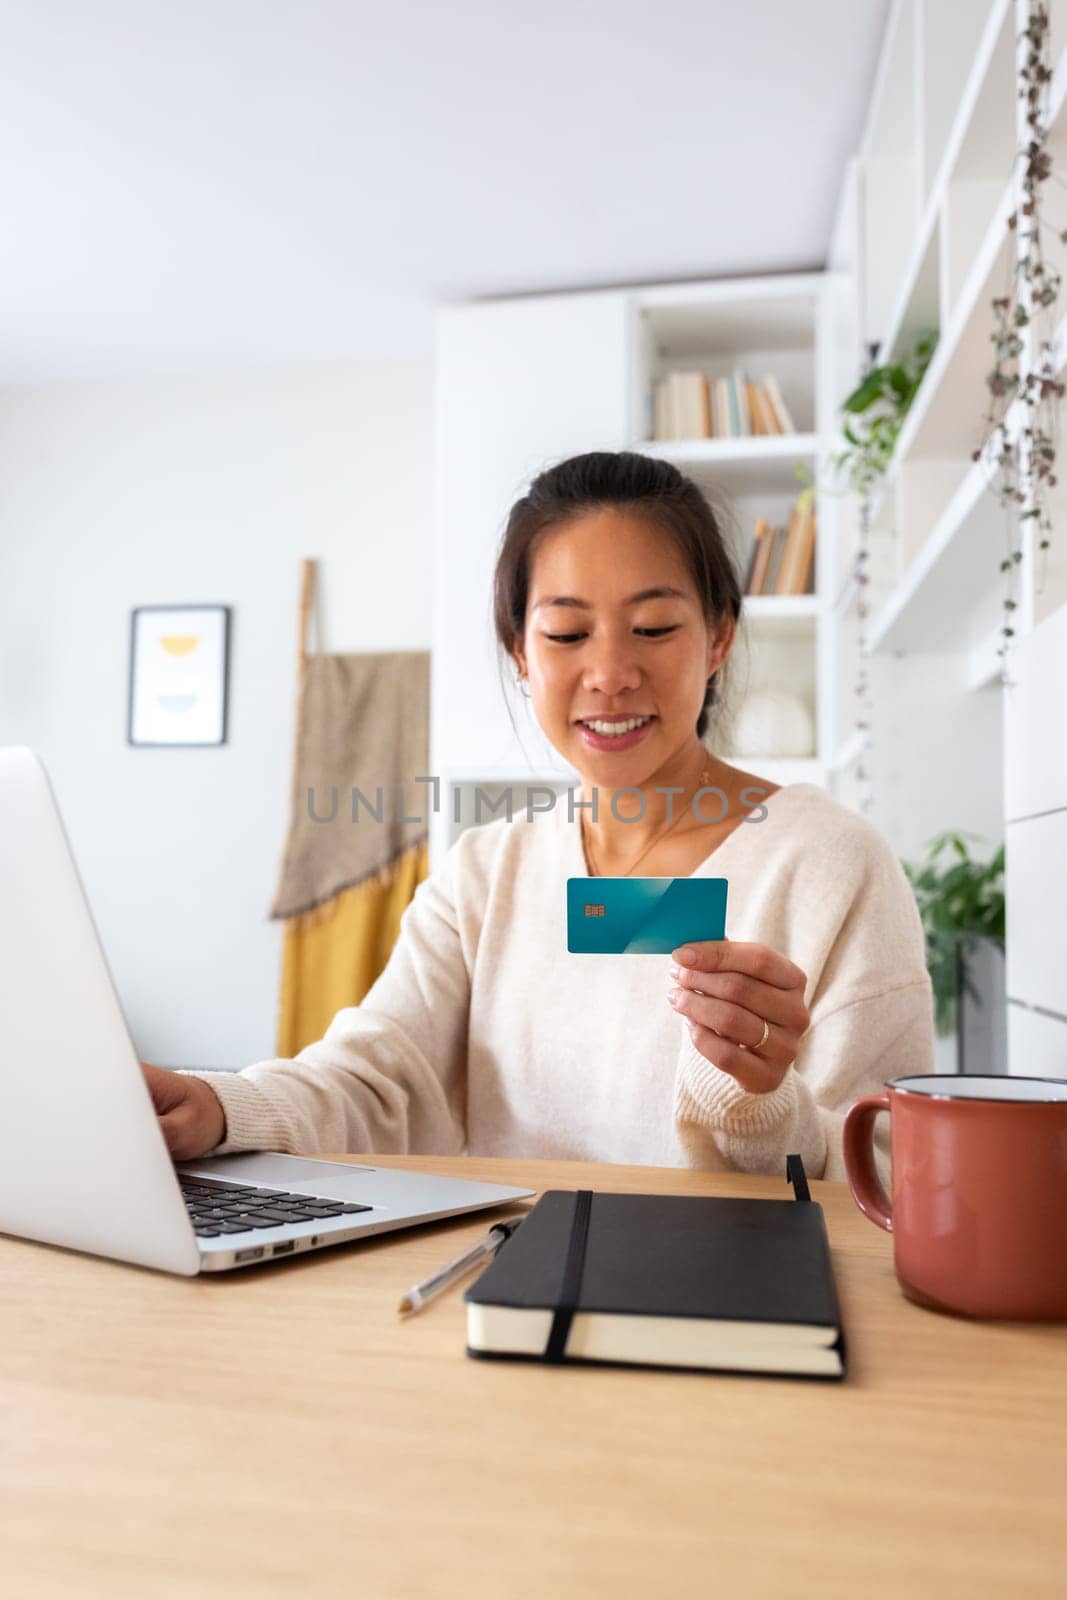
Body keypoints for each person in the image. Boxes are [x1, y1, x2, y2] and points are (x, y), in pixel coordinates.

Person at [144, 450, 933, 1180]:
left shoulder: (829, 862)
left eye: (654, 628)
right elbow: (376, 1081)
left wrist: (760, 1106)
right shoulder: (487, 871)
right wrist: (219, 1107)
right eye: (564, 632)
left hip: (739, 1312)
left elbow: (895, 1172)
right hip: (497, 1290)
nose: (610, 674)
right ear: (520, 652)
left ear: (719, 636)